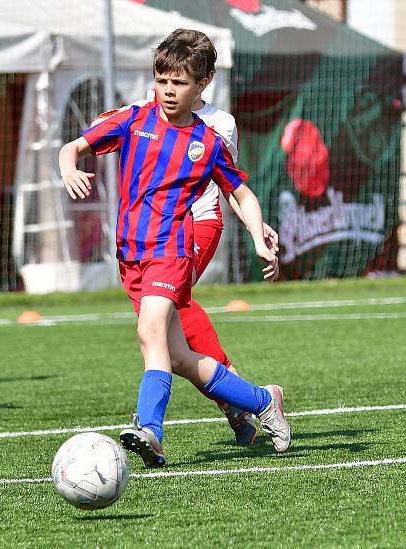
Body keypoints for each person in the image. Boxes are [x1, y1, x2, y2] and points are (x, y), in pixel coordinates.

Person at [58, 29, 291, 467]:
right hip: (131, 253)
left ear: (201, 85)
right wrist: (69, 167)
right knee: (179, 356)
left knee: (150, 333)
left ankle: (151, 429)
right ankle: (262, 399)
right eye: (162, 80)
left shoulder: (207, 141)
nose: (168, 90)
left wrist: (259, 236)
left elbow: (241, 193)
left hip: (173, 249)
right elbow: (74, 146)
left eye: (179, 82)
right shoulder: (133, 120)